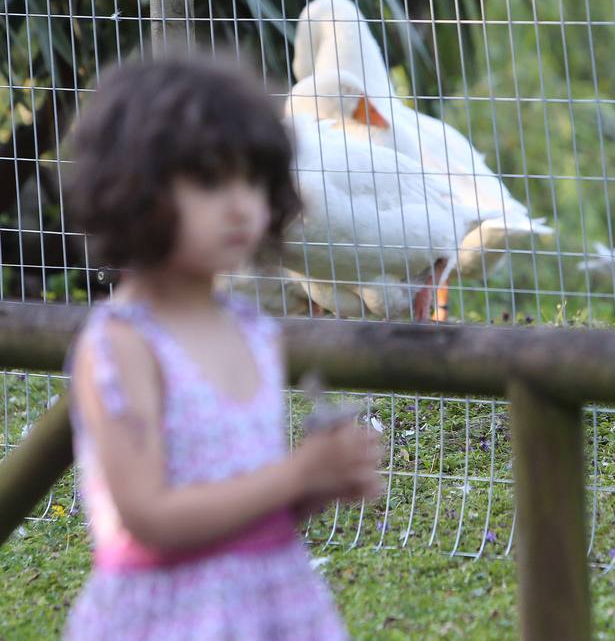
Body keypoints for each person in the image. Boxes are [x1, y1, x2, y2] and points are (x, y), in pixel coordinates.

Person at [63, 56, 380, 639]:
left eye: (253, 181)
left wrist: (316, 485)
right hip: (171, 617)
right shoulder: (123, 346)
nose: (241, 206)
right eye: (210, 182)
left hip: (271, 606)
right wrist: (294, 476)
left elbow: (246, 501)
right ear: (134, 187)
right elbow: (148, 518)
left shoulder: (252, 330)